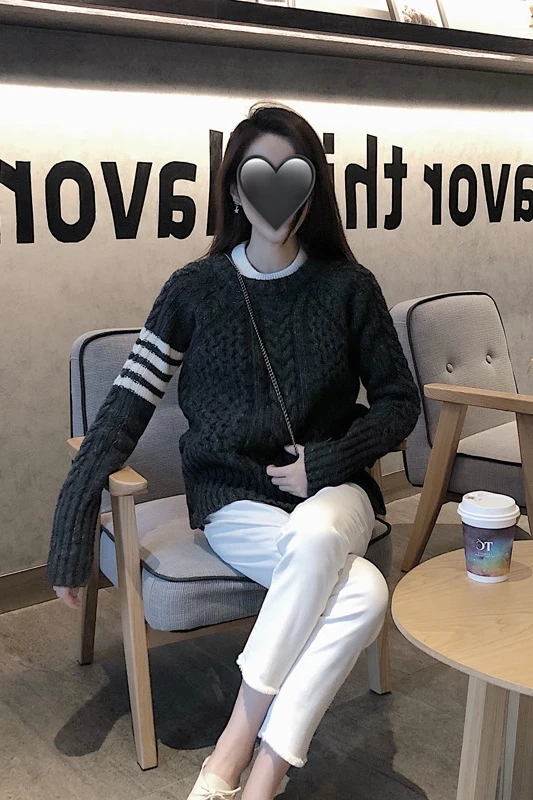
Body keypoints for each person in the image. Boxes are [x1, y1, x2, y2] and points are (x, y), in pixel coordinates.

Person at [47, 102, 421, 800]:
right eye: (258, 175)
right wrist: (74, 514)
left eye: (292, 174)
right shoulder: (195, 289)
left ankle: (231, 756)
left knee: (318, 534)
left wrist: (329, 461)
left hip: (336, 491)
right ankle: (267, 775)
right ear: (234, 192)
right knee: (363, 592)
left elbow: (401, 401)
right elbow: (125, 407)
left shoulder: (348, 287)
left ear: (312, 189)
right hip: (233, 500)